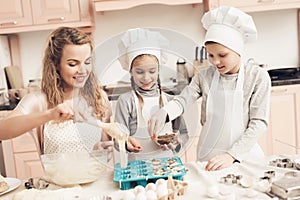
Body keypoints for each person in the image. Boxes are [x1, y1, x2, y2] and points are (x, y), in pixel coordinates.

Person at [148, 6, 271, 171]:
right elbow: (184, 100)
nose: (216, 62)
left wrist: (231, 156)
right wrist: (165, 112)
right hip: (209, 156)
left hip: (243, 157)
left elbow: (259, 123)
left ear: (238, 50)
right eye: (210, 55)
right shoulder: (204, 76)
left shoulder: (257, 77)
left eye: (222, 55)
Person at [0, 27, 113, 155]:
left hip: (97, 174)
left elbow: (105, 145)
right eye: (72, 64)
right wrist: (50, 114)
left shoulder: (99, 98)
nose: (83, 70)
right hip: (58, 175)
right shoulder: (39, 101)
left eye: (87, 62)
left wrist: (116, 144)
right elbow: (2, 130)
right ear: (56, 65)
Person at [115, 28, 189, 160]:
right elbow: (117, 140)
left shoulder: (171, 101)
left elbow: (183, 134)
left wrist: (176, 144)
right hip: (138, 167)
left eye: (152, 71)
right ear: (130, 71)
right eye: (139, 72)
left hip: (168, 164)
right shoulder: (126, 101)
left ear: (159, 69)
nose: (146, 77)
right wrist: (126, 144)